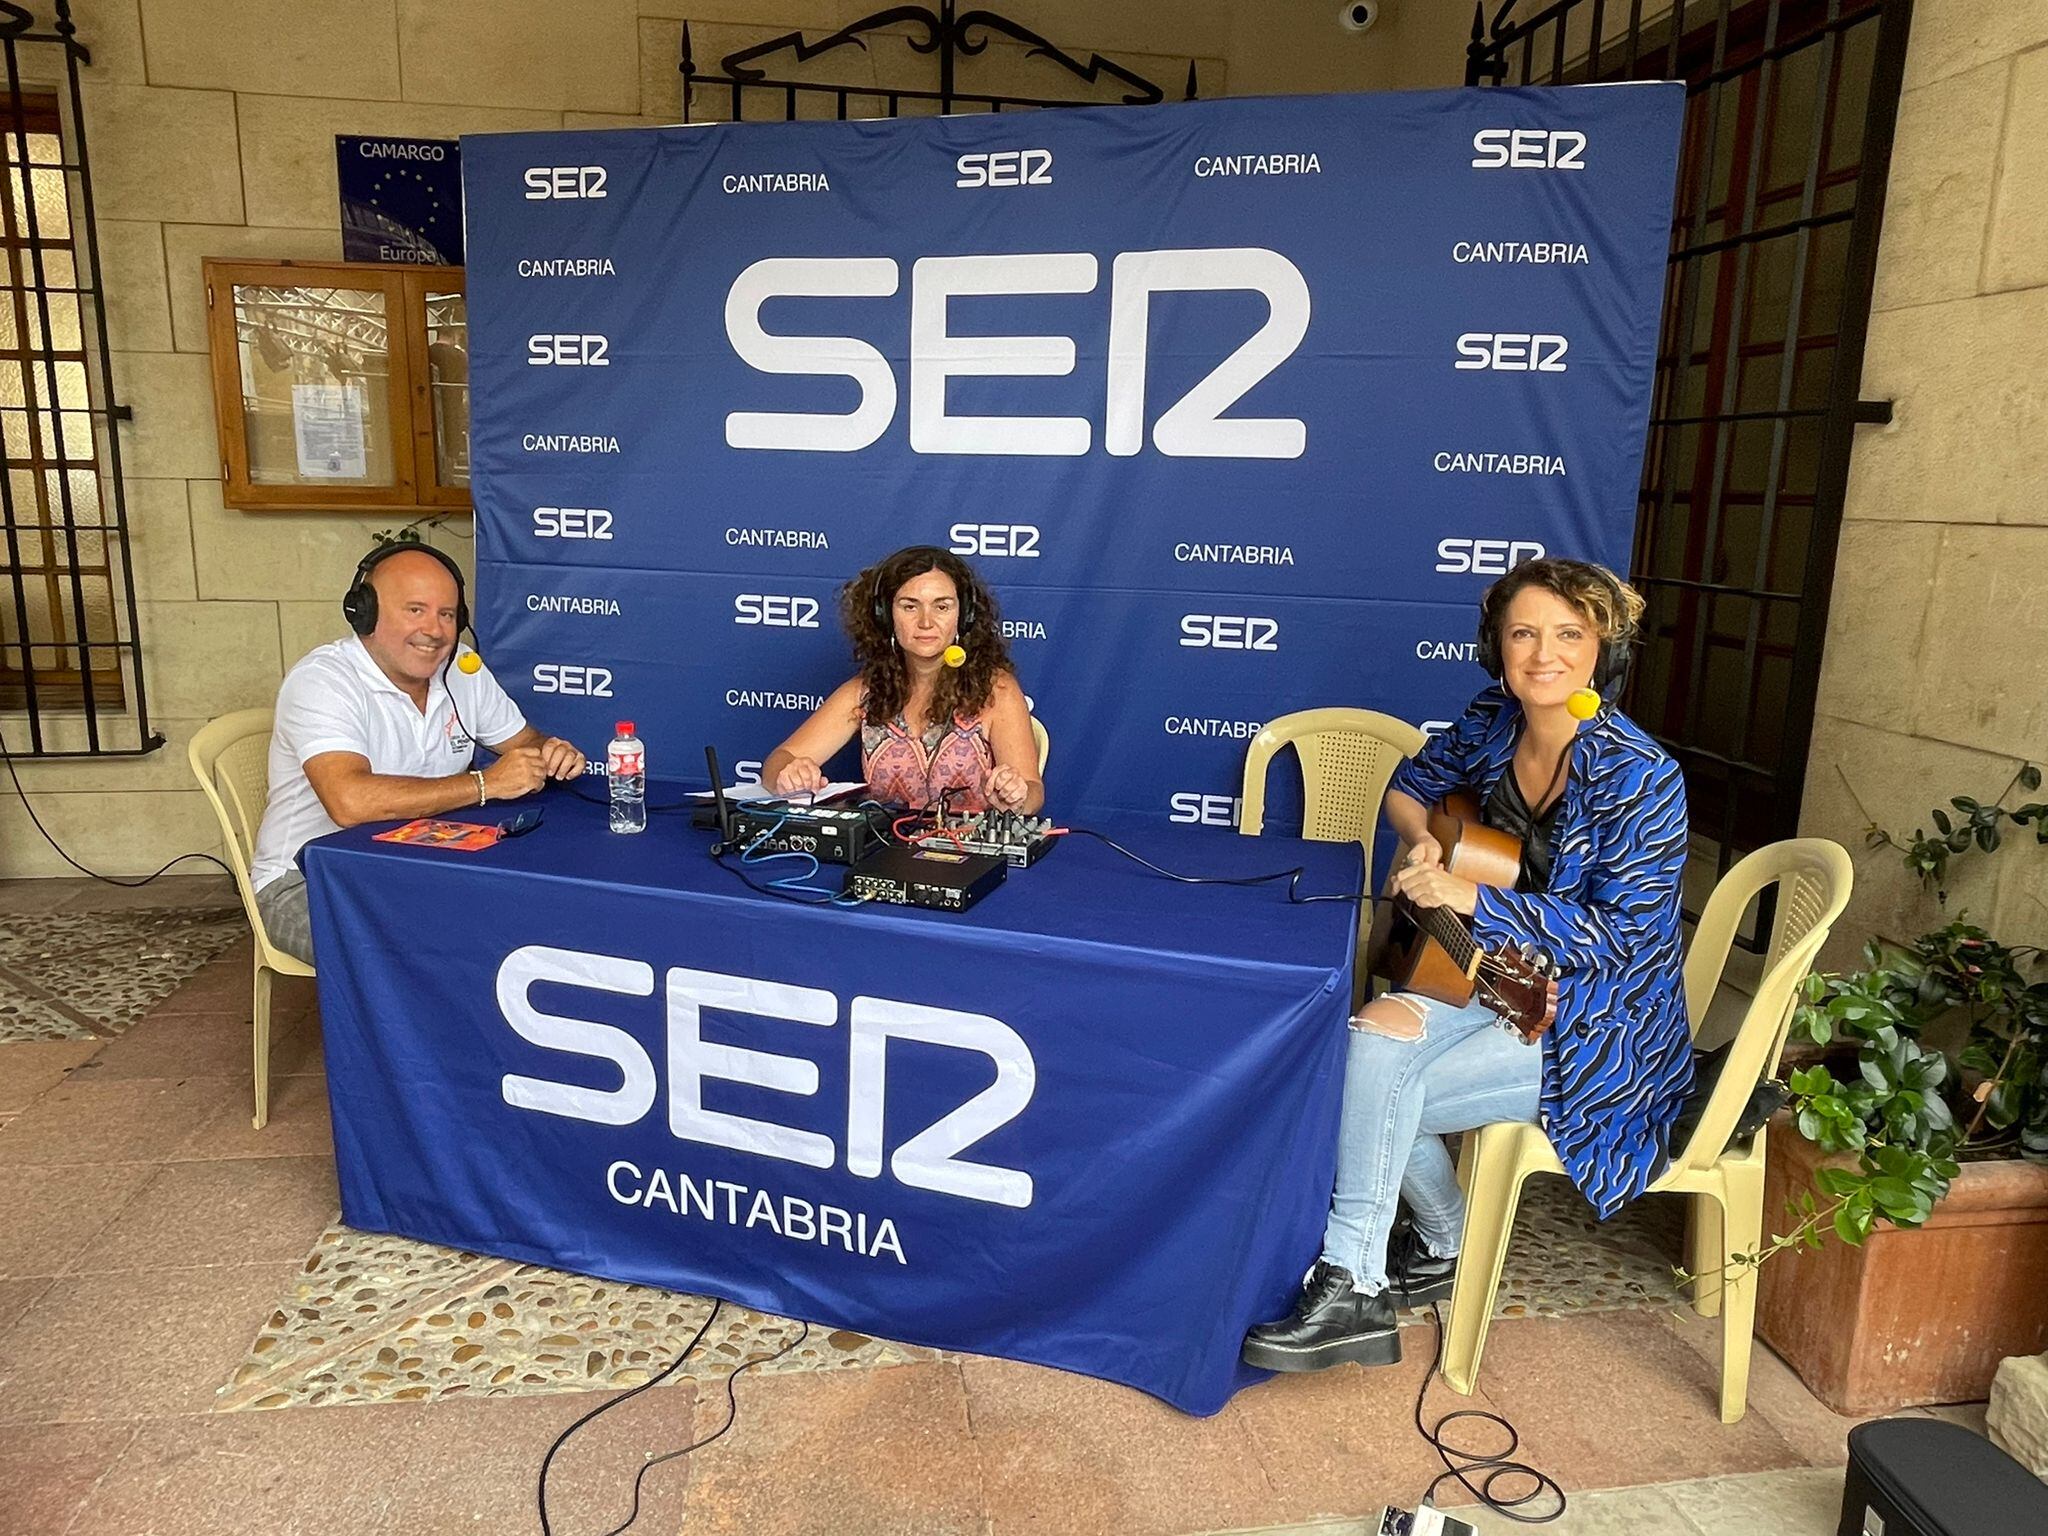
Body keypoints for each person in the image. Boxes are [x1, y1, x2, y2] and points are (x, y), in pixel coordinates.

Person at [1241, 558, 1693, 1372]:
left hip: (1598, 1021)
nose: (1544, 654)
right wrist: (1423, 840)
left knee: (1379, 1089)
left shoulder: (1643, 777)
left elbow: (1625, 936)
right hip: (1496, 979)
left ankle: (1357, 1274)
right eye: (1524, 633)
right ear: (1497, 648)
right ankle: (1425, 1249)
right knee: (1365, 1046)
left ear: (1605, 654)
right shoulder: (1493, 719)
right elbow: (1410, 787)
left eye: (1569, 635)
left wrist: (1474, 897)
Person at [248, 544, 586, 963]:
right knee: (428, 957)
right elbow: (350, 802)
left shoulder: (461, 667)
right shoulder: (323, 682)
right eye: (415, 610)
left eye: (447, 614)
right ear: (365, 613)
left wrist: (550, 753)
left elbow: (523, 743)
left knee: (519, 922)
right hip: (306, 881)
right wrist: (487, 784)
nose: (435, 630)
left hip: (418, 864)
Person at [761, 546, 1043, 815]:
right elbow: (780, 759)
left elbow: (1032, 793)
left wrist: (1016, 794)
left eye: (941, 607)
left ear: (964, 616)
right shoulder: (864, 692)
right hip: (884, 855)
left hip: (969, 855)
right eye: (910, 607)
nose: (925, 622)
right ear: (886, 616)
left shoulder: (996, 690)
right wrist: (788, 775)